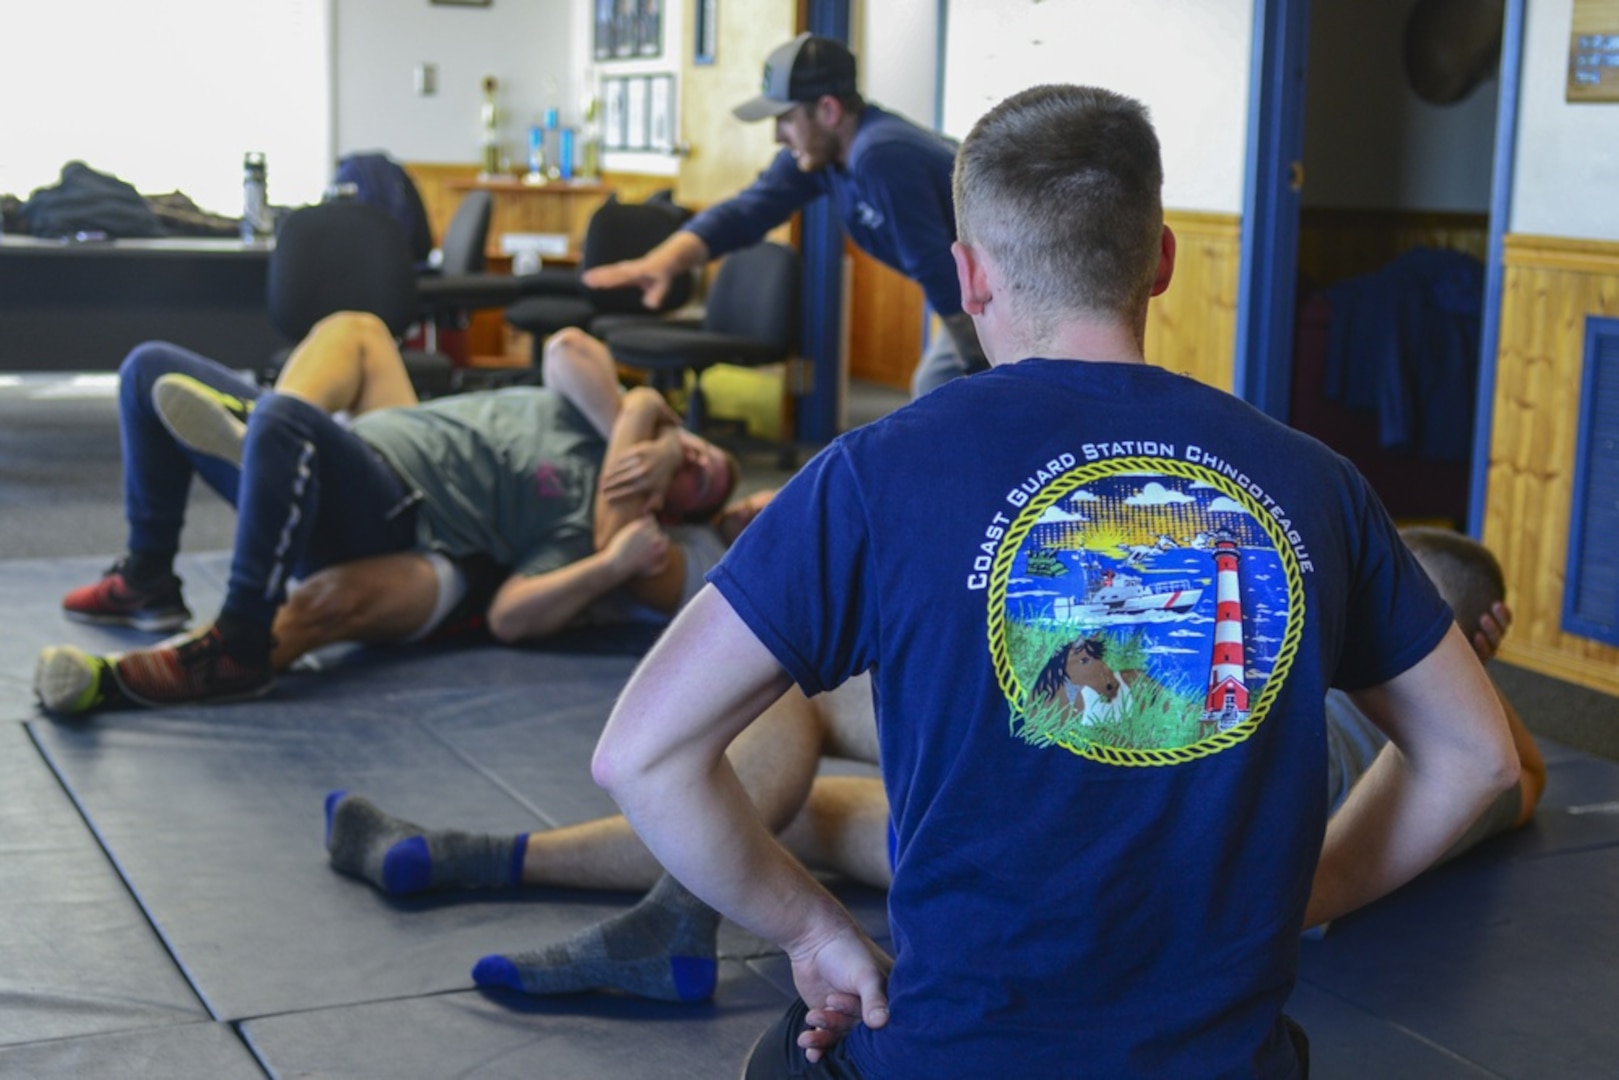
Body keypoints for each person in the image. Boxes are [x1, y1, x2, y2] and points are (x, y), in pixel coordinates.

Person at [586, 85, 1519, 1078]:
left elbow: (640, 757)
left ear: (967, 275)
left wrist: (813, 934)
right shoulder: (1315, 480)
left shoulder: (872, 474)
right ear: (1158, 262)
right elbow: (1479, 757)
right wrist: (1304, 894)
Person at [318, 528, 1544, 1006]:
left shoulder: (1354, 701)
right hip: (1069, 830)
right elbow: (1499, 766)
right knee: (791, 772)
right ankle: (607, 898)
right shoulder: (1402, 730)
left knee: (778, 749)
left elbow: (1497, 764)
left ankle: (508, 865)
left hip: (1042, 823)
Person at [32, 314, 742, 713]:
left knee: (286, 419)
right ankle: (151, 576)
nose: (697, 466)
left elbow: (513, 615)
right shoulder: (600, 409)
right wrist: (643, 420)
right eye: (701, 453)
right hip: (378, 436)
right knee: (150, 360)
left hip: (399, 506)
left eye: (699, 485)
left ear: (672, 511)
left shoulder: (585, 531)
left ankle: (240, 635)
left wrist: (616, 549)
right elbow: (565, 346)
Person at [582, 33, 984, 397]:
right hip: (973, 290)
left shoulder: (881, 155)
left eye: (786, 118)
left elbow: (938, 270)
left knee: (942, 390)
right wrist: (662, 262)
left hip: (1007, 283)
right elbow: (745, 213)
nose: (777, 135)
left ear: (827, 110)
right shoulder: (822, 157)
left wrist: (982, 365)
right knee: (938, 390)